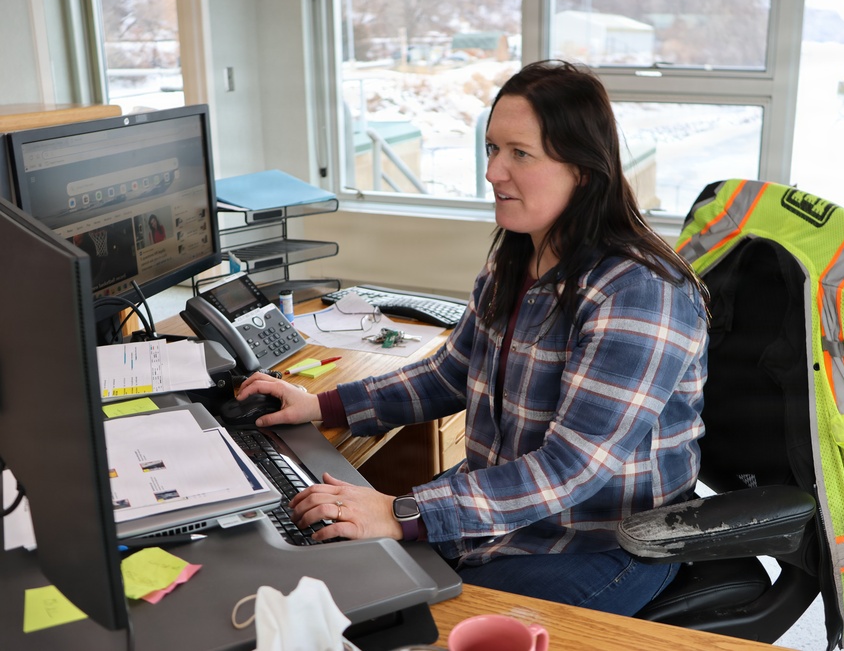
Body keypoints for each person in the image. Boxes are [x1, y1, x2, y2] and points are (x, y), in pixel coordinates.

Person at [237, 60, 710, 616]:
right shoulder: (518, 258)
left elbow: (570, 469)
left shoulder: (640, 293)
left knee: (414, 622)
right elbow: (449, 375)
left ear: (583, 169)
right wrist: (320, 406)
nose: (492, 172)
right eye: (492, 148)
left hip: (602, 538)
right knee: (343, 575)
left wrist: (403, 512)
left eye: (520, 153)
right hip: (510, 511)